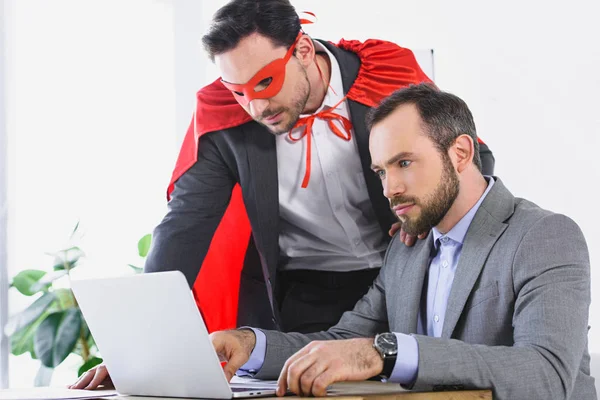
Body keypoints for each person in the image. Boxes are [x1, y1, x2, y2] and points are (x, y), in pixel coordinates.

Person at [201, 83, 594, 400]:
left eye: (404, 163)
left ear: (460, 152)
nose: (391, 188)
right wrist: (251, 345)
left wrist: (386, 351)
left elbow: (547, 374)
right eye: (381, 171)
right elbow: (343, 342)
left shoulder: (544, 235)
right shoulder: (407, 248)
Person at [147, 0, 497, 336]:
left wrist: (430, 217)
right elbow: (184, 224)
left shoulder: (384, 74)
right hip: (303, 297)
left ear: (302, 49)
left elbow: (469, 157)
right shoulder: (224, 117)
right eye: (238, 91)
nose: (254, 107)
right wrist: (139, 342)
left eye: (266, 82)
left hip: (403, 276)